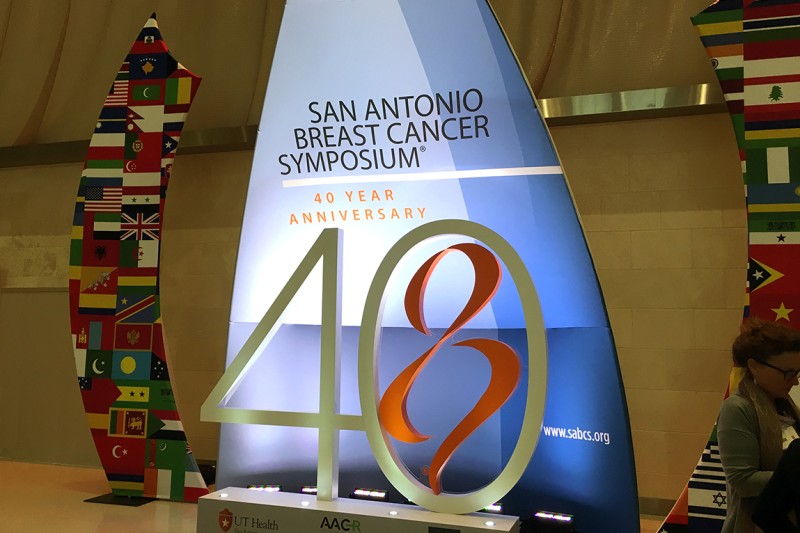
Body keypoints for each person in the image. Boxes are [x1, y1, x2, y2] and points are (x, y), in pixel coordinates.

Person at [717, 318, 800, 532]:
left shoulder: (785, 407)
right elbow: (742, 481)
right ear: (754, 366)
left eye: (797, 373)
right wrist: (793, 476)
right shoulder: (737, 408)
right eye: (788, 373)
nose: (795, 381)